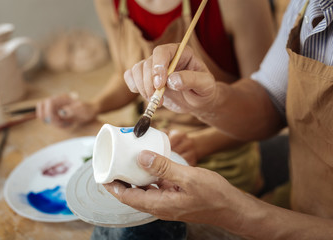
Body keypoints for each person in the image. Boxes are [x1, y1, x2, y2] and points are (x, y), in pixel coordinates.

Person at [103, 0, 333, 238]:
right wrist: (209, 102)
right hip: (300, 200)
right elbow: (272, 98)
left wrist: (238, 213)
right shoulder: (309, 4)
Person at [37, 0, 274, 193]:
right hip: (147, 140)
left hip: (222, 151)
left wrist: (196, 145)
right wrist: (93, 106)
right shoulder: (111, 3)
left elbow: (266, 109)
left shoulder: (239, 4)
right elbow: (125, 75)